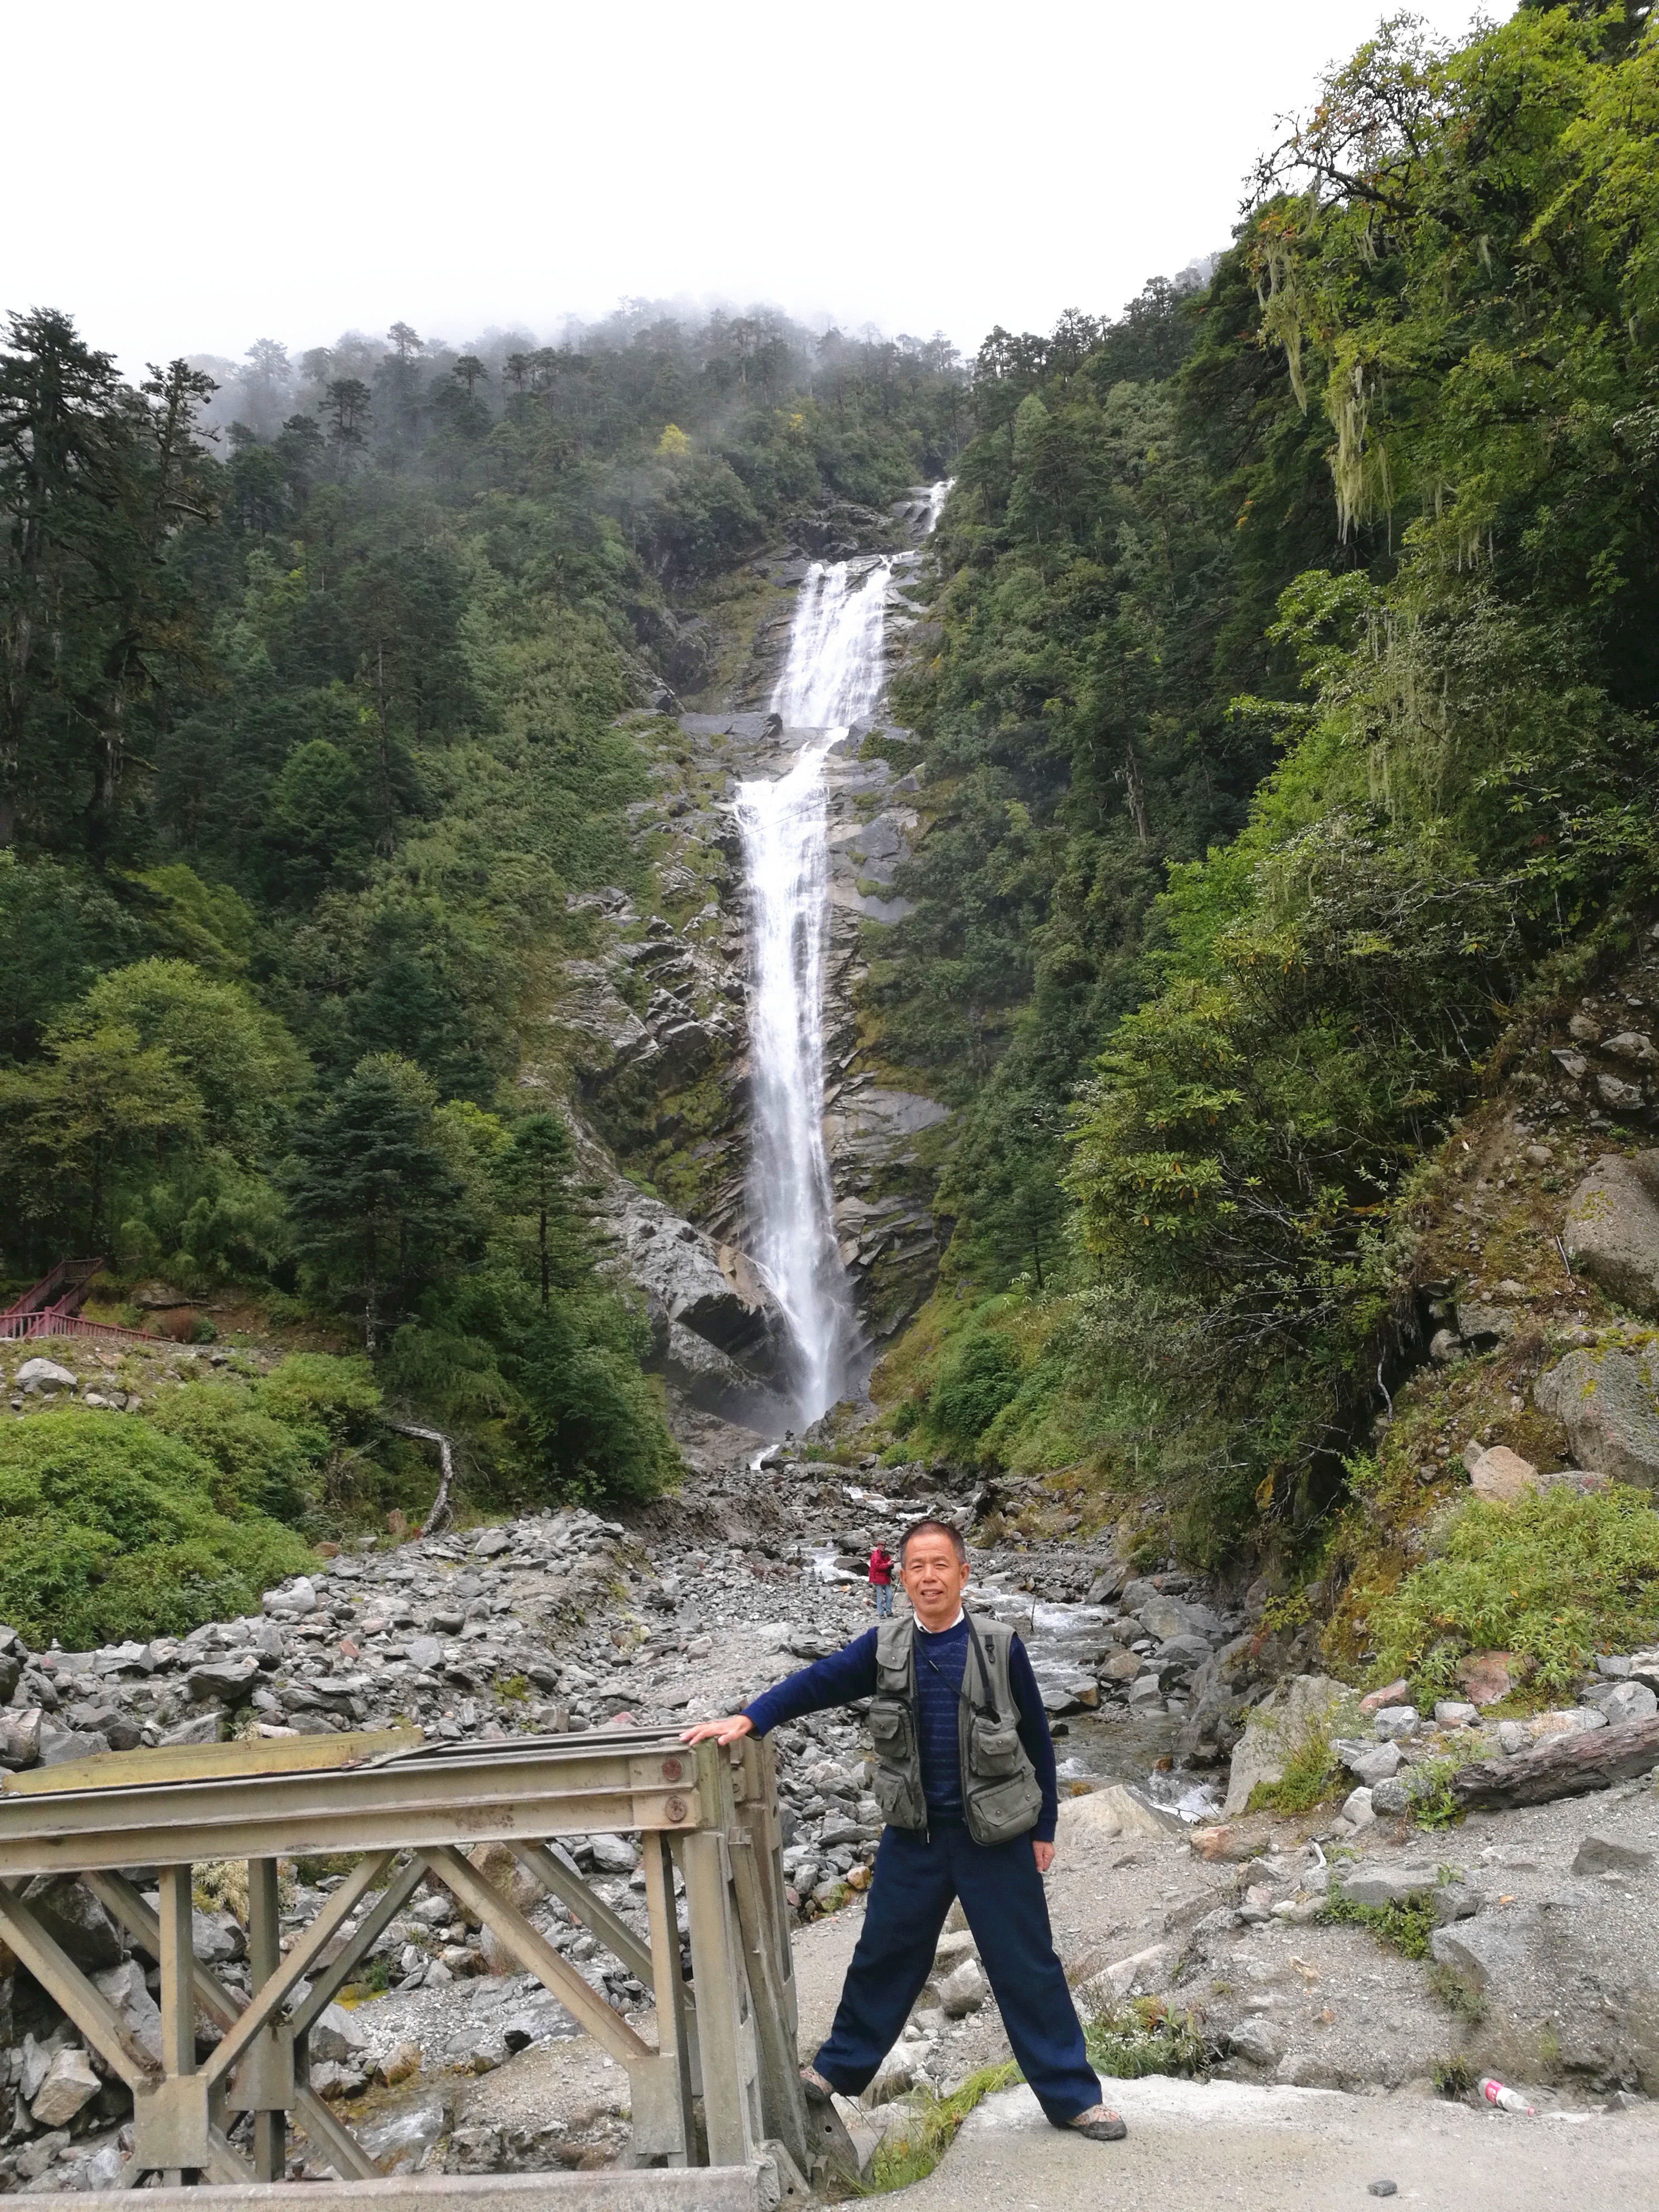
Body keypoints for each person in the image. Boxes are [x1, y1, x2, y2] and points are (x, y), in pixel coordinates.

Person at [681, 1516, 1126, 2143]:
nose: (928, 1576)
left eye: (940, 1564)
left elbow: (1036, 1742)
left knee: (1028, 1965)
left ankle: (1075, 2097)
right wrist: (752, 1718)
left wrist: (1045, 1823)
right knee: (883, 1954)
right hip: (914, 1837)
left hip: (995, 1839)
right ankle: (836, 2069)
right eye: (916, 1566)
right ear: (902, 1576)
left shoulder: (1001, 1646)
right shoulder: (884, 1645)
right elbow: (819, 1681)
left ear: (963, 1574)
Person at [867, 1540, 894, 1617]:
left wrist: (891, 1564)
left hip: (886, 1578)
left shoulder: (885, 1554)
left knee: (889, 1595)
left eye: (884, 1545)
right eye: (882, 1545)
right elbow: (877, 1567)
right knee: (880, 1597)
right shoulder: (875, 1555)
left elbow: (888, 1564)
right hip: (878, 1579)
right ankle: (881, 1613)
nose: (883, 1547)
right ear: (878, 1546)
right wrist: (887, 1564)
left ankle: (889, 1612)